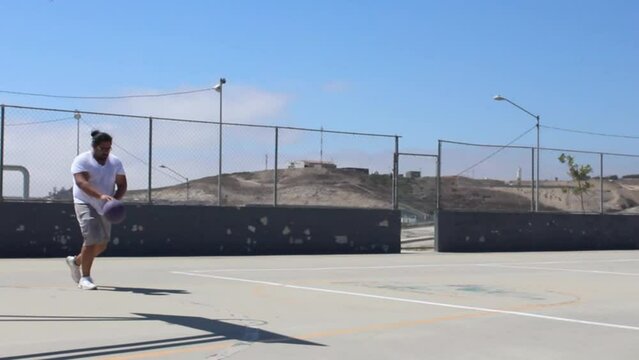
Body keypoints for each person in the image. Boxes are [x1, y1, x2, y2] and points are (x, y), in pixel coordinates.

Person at [66, 130, 127, 290]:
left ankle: (76, 261)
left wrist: (115, 199)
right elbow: (81, 183)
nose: (106, 152)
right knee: (92, 239)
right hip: (84, 201)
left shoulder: (115, 162)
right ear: (94, 146)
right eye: (102, 148)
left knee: (102, 245)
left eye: (108, 148)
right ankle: (85, 278)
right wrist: (100, 195)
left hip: (105, 205)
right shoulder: (82, 160)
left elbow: (122, 184)